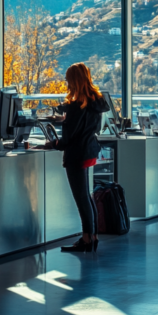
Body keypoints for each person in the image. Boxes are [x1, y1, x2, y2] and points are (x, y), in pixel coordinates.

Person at [49, 63, 110, 253]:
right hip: (89, 151)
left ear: (73, 81)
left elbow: (68, 138)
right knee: (87, 196)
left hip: (76, 154)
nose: (66, 83)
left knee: (81, 198)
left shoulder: (77, 107)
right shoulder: (95, 101)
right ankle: (92, 237)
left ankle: (86, 239)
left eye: (68, 80)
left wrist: (54, 143)